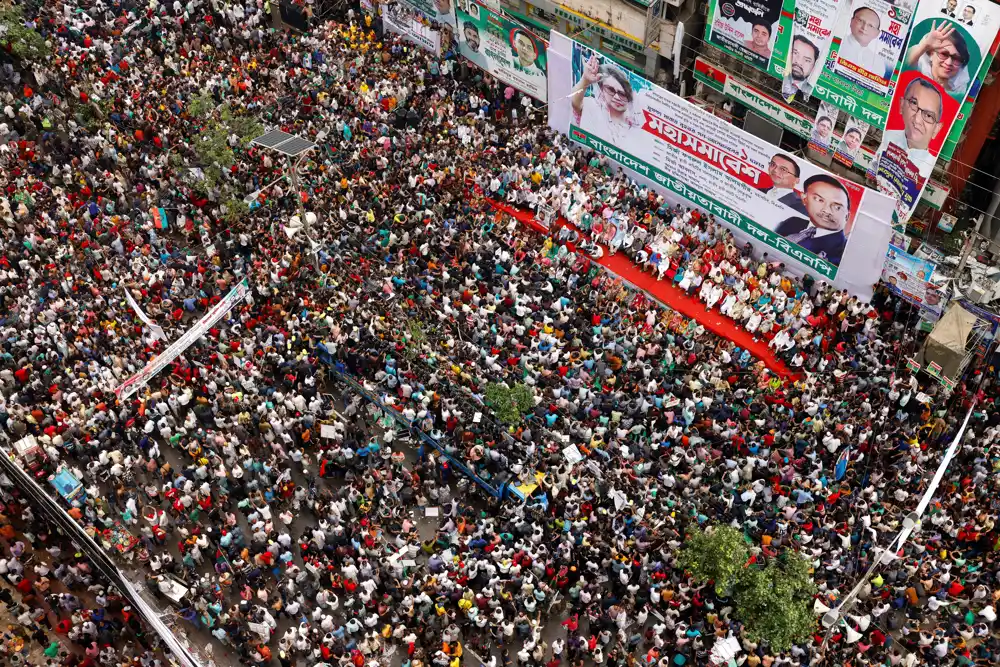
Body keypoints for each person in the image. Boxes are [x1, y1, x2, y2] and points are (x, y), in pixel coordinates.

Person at [774, 175, 852, 265]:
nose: (826, 211)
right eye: (819, 199)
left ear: (847, 216)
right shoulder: (792, 222)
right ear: (804, 199)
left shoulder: (842, 251)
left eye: (837, 207)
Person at [571, 54, 641, 150]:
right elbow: (575, 102)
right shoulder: (593, 107)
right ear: (601, 89)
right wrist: (585, 80)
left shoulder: (635, 125)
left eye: (622, 94)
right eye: (611, 90)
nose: (617, 97)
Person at [877, 77, 943, 178]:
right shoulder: (886, 135)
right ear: (901, 105)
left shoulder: (931, 166)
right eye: (914, 103)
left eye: (929, 116)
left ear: (936, 129)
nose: (917, 119)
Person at [906, 20, 971, 95]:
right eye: (944, 54)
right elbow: (907, 64)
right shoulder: (918, 67)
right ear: (931, 54)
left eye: (957, 58)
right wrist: (925, 46)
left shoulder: (959, 89)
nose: (949, 62)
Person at [838, 6, 891, 79]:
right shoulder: (837, 42)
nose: (864, 27)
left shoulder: (878, 63)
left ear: (876, 33)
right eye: (860, 20)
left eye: (870, 26)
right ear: (851, 21)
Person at [782, 35, 820, 99]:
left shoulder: (814, 92)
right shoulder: (773, 71)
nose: (799, 62)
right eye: (795, 53)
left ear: (814, 66)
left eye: (807, 60)